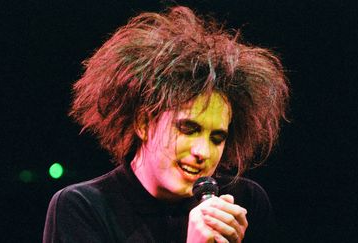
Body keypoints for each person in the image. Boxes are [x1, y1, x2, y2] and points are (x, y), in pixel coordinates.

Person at [43, 6, 289, 243]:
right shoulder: (83, 207)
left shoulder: (244, 202)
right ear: (143, 122)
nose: (202, 152)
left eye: (217, 138)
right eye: (187, 129)